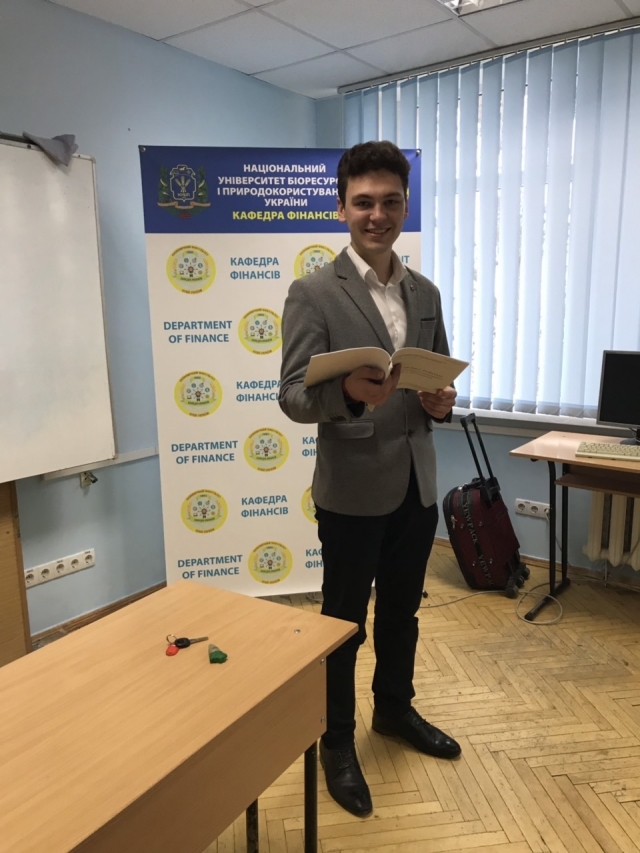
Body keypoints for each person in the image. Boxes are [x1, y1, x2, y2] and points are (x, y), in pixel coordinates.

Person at [279, 141, 460, 818]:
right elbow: (293, 397)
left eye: (390, 201)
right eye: (363, 202)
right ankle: (335, 740)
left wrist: (440, 402)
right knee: (343, 623)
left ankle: (393, 709)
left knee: (402, 613)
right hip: (352, 489)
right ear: (342, 208)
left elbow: (436, 376)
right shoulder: (313, 292)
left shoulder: (425, 293)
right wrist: (348, 396)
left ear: (406, 207)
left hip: (417, 485)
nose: (377, 214)